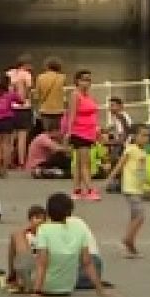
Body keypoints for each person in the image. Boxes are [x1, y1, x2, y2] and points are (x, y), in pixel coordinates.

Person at [28, 192, 110, 297]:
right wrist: (100, 290)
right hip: (67, 287)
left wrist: (37, 292)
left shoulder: (44, 229)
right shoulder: (79, 228)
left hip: (46, 287)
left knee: (24, 259)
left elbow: (42, 263)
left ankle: (16, 281)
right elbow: (87, 262)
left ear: (48, 212)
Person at [64, 69, 101, 200]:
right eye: (83, 80)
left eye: (88, 80)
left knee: (80, 163)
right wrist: (68, 133)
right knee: (85, 162)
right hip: (79, 132)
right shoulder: (75, 95)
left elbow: (94, 114)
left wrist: (97, 129)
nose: (86, 83)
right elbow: (71, 115)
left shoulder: (89, 96)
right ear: (77, 81)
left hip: (89, 132)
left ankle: (77, 190)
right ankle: (90, 189)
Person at [112, 129, 146, 258]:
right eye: (143, 135)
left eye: (147, 136)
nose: (145, 138)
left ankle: (130, 244)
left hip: (137, 188)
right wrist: (110, 178)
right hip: (130, 187)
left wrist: (148, 184)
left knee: (135, 216)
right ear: (135, 137)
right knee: (140, 216)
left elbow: (141, 172)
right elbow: (120, 165)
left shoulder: (142, 152)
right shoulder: (131, 149)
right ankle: (127, 240)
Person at [7, 55, 35, 168]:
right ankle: (21, 162)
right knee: (22, 137)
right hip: (23, 108)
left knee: (11, 137)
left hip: (10, 108)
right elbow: (28, 92)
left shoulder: (9, 73)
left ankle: (8, 161)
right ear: (25, 65)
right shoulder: (26, 75)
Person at [34, 58, 67, 135]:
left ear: (47, 66)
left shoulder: (40, 77)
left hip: (45, 109)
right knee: (58, 131)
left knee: (47, 131)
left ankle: (47, 145)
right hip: (58, 109)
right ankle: (56, 146)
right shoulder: (62, 77)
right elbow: (63, 92)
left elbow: (36, 96)